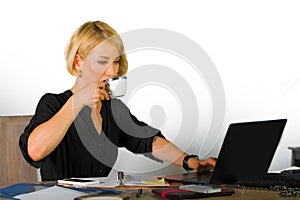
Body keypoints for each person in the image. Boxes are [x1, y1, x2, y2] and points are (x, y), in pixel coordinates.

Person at [19, 20, 216, 181]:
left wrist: (189, 161)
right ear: (79, 62)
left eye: (115, 62)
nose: (113, 72)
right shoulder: (52, 103)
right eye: (102, 62)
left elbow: (147, 141)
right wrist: (77, 101)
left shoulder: (113, 109)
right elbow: (35, 151)